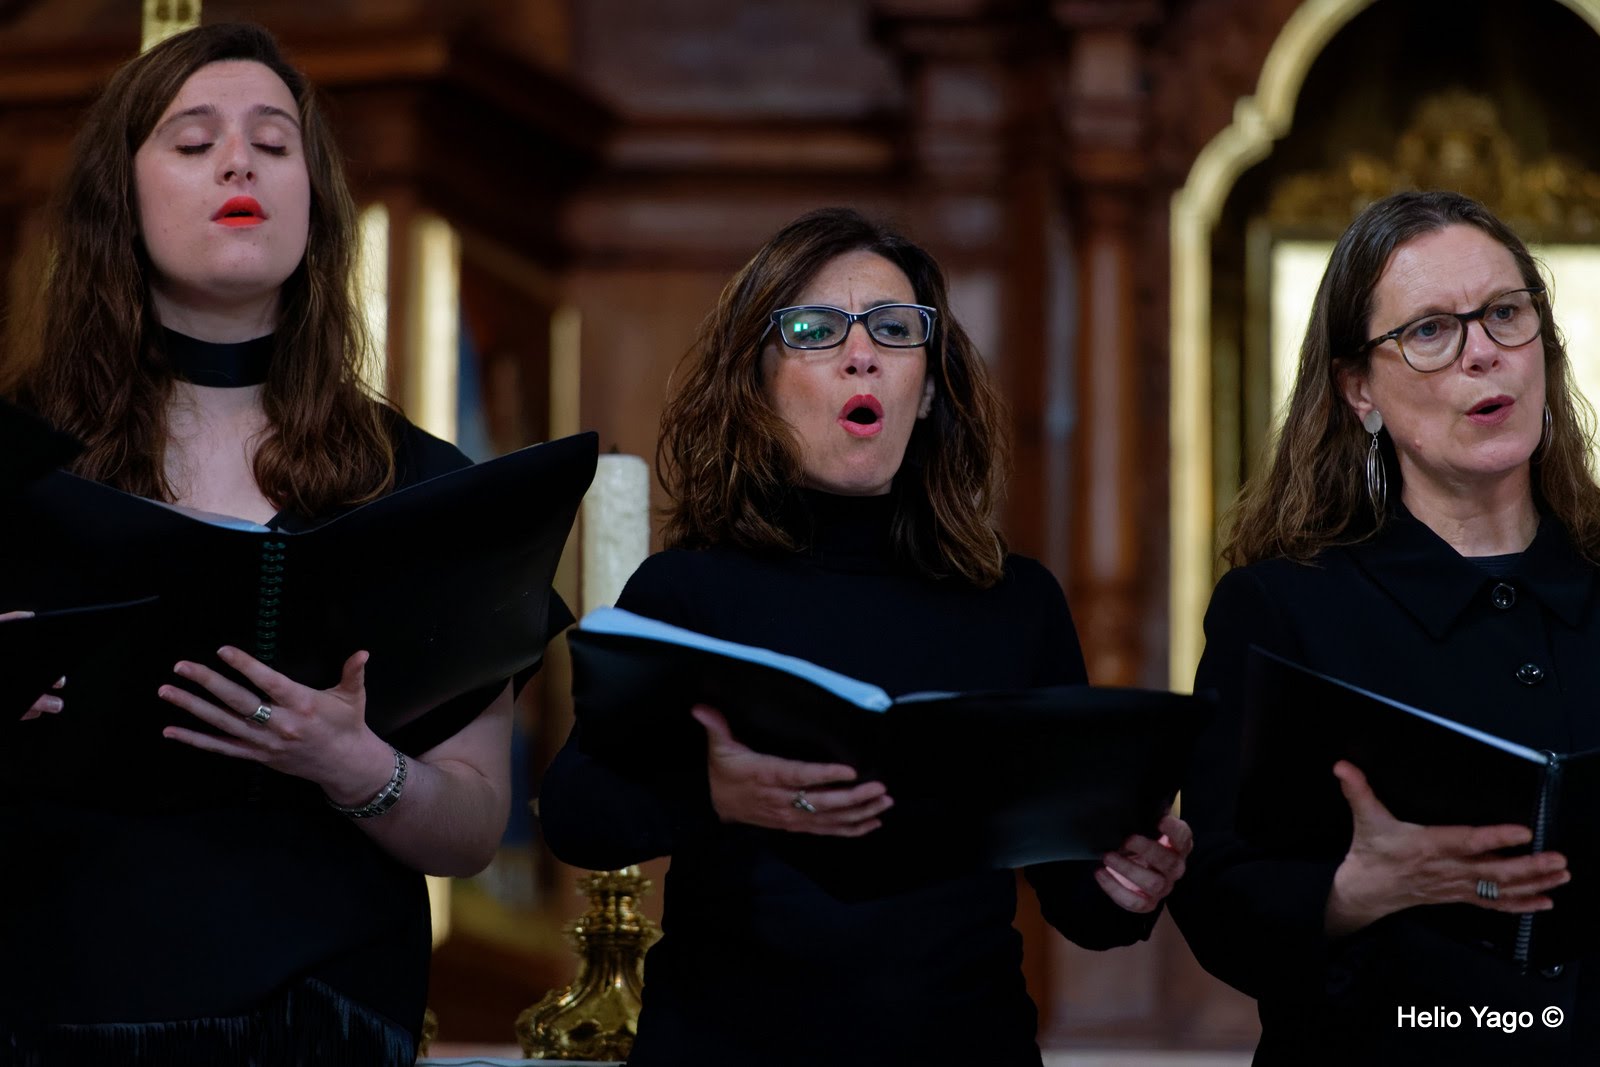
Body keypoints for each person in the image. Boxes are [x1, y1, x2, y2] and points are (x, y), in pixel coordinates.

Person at [538, 206, 1192, 1066]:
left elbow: (1083, 901)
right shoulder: (689, 589)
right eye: (814, 330)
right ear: (758, 386)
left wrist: (1133, 880)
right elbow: (576, 815)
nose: (861, 353)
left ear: (930, 391)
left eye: (893, 328)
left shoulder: (1014, 602)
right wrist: (713, 793)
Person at [0, 23, 520, 1064]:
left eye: (274, 143)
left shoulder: (420, 488)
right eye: (195, 142)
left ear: (314, 202)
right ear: (119, 200)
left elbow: (473, 825)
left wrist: (355, 763)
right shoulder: (15, 468)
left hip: (323, 1015)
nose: (239, 161)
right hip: (54, 1004)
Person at [1171, 189, 1600, 1064]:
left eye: (1505, 313)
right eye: (1432, 330)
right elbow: (1216, 897)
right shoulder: (1283, 606)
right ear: (1358, 389)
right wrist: (1353, 891)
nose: (1483, 351)